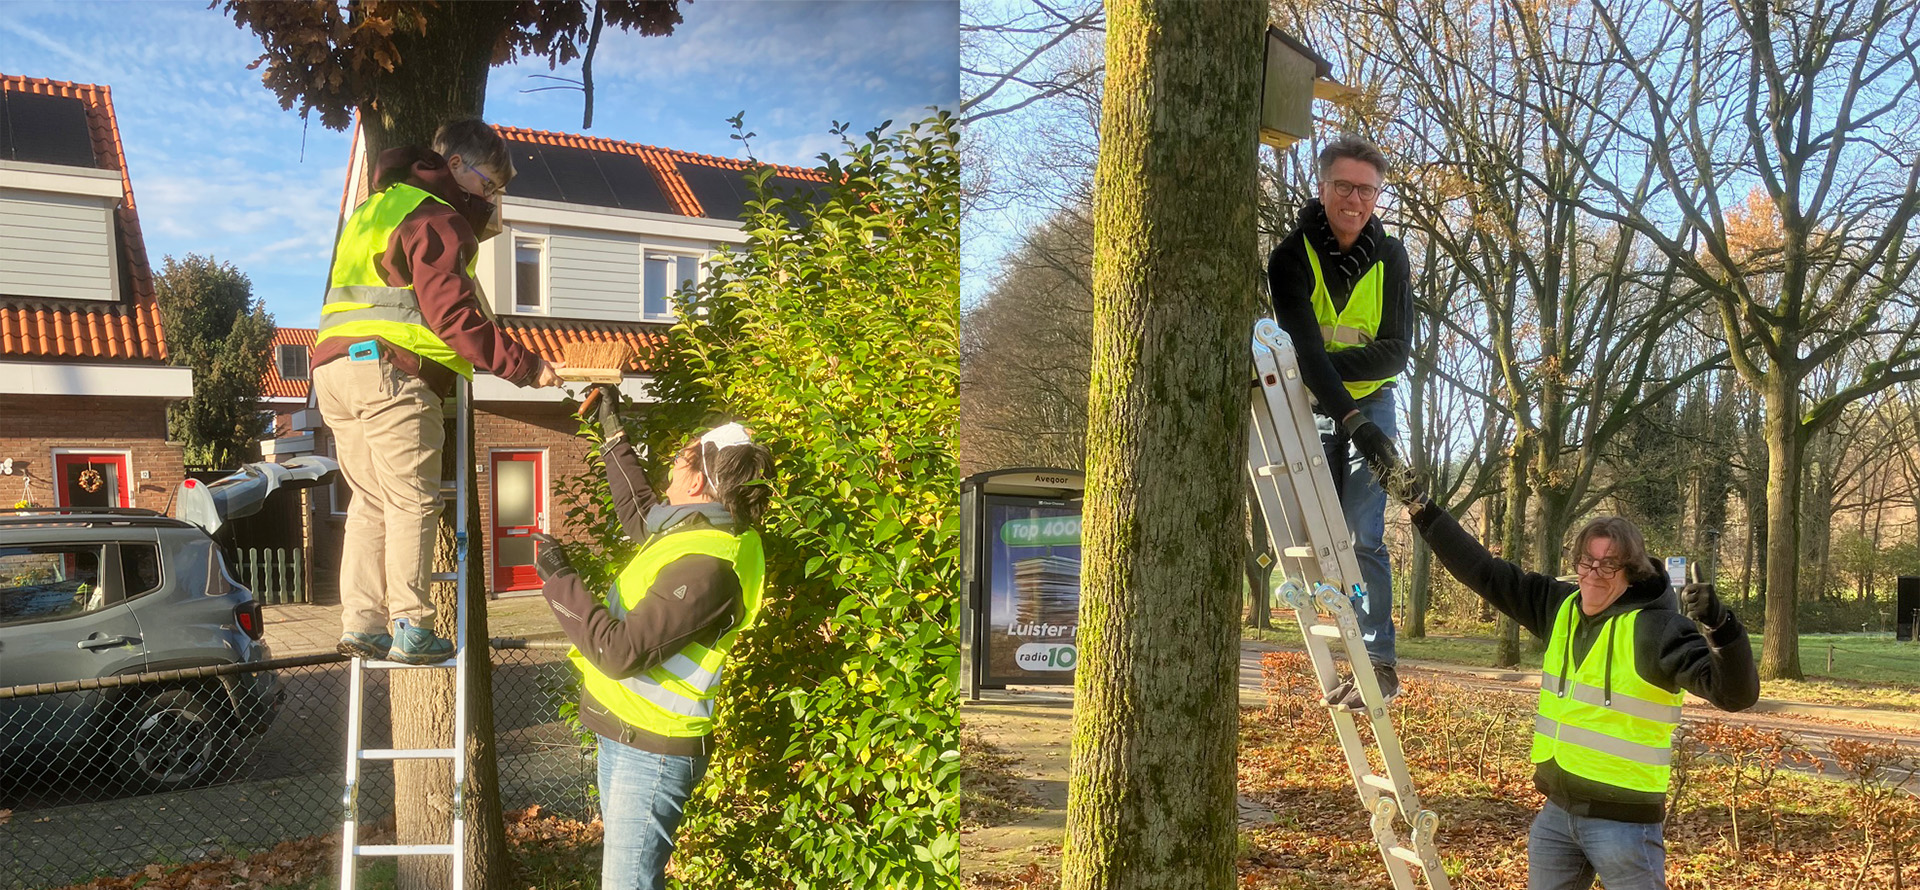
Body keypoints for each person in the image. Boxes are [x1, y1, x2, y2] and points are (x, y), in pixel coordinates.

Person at [1403, 488, 1759, 890]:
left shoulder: (1656, 630)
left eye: (1608, 566)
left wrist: (1719, 625)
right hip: (1557, 814)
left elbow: (1736, 695)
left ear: (1631, 573)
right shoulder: (1561, 609)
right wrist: (1422, 510)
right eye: (1587, 562)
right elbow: (1485, 572)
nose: (1592, 574)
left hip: (1623, 826)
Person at [319, 118, 563, 665]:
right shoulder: (437, 217)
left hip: (335, 369)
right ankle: (410, 624)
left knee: (370, 501)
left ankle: (362, 622)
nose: (491, 198)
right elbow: (450, 314)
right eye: (488, 184)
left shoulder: (374, 208)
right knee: (412, 499)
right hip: (391, 371)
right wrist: (527, 368)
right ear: (455, 166)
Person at [530, 385, 774, 890]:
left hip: (654, 752)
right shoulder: (698, 529)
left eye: (681, 459)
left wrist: (558, 580)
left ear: (701, 479)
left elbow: (618, 653)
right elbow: (640, 511)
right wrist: (610, 427)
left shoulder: (710, 565)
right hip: (628, 735)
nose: (669, 467)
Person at [1267, 133, 1414, 707]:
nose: (1355, 200)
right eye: (1344, 186)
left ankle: (1378, 661)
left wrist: (1325, 373)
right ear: (1322, 186)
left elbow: (1395, 352)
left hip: (1371, 404)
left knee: (1362, 532)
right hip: (1314, 409)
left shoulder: (1392, 256)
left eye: (1367, 190)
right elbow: (1302, 355)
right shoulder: (1289, 258)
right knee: (1318, 533)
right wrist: (1340, 402)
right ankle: (1343, 643)